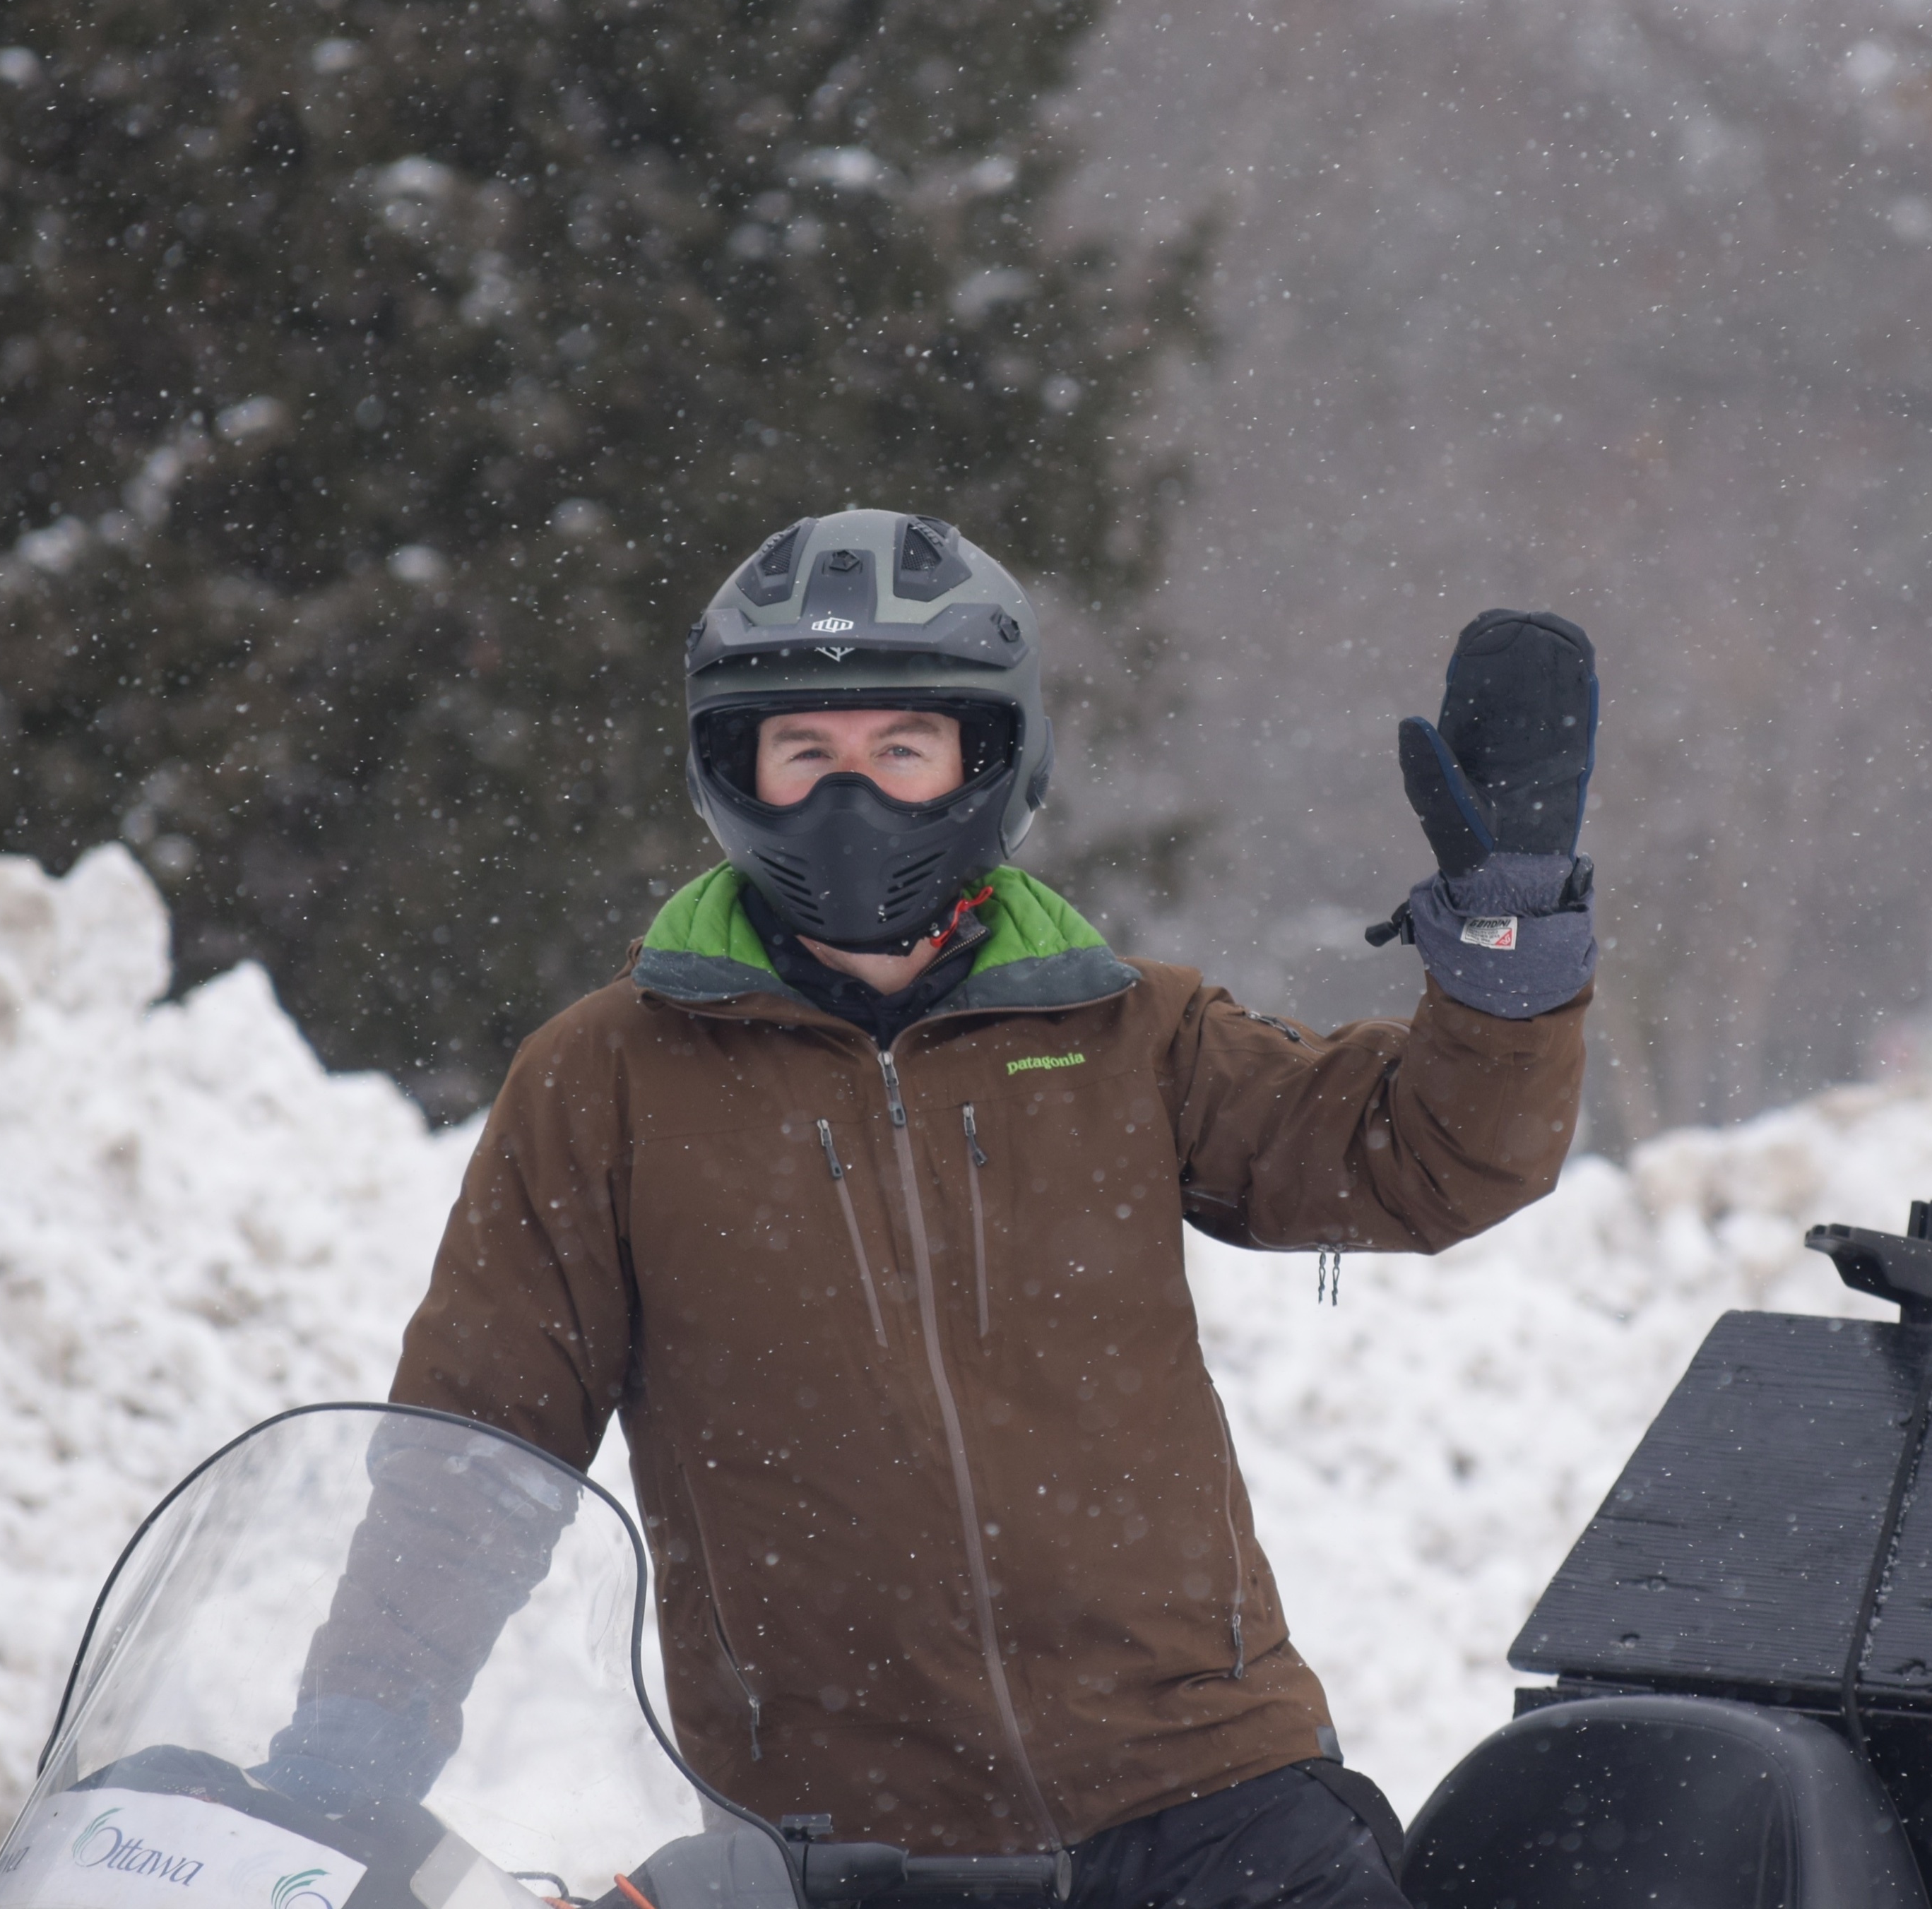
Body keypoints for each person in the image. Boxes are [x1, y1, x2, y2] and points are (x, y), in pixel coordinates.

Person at [377, 509, 1596, 1908]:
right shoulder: (604, 1081)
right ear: (732, 769)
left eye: (901, 752)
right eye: (805, 753)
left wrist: (1506, 938)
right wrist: (347, 1746)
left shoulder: (1125, 1031)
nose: (853, 802)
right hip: (841, 1848)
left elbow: (1428, 1160)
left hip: (1209, 1800)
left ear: (987, 760)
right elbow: (465, 1461)